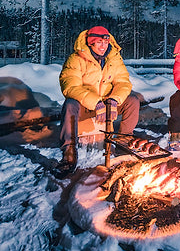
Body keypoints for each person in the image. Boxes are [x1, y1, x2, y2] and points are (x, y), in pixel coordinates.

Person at [57, 26, 141, 173]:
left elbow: (123, 82)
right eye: (99, 42)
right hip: (86, 106)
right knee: (70, 104)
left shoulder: (114, 58)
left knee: (132, 100)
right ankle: (69, 154)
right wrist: (95, 102)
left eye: (106, 42)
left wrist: (114, 100)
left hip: (108, 104)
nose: (104, 46)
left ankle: (124, 143)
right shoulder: (76, 59)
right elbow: (69, 87)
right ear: (91, 43)